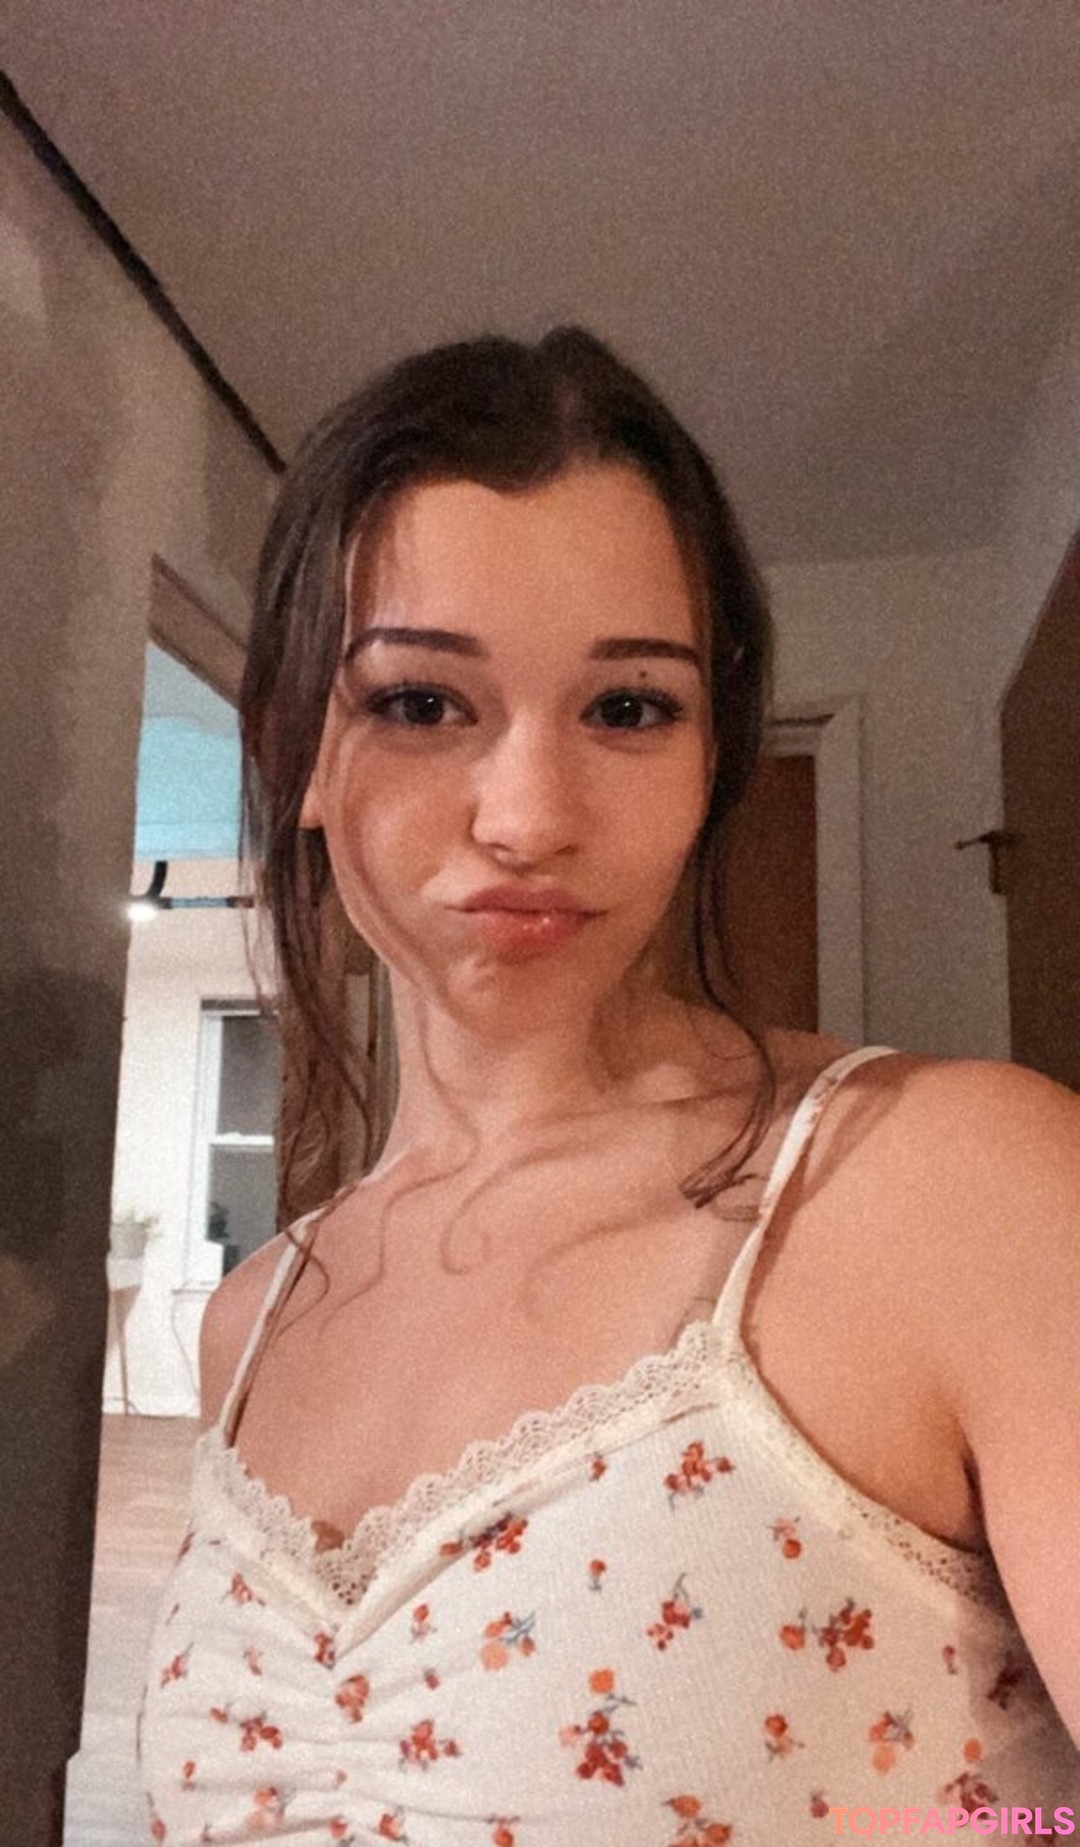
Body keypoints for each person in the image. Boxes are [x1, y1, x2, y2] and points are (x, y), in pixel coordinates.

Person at [137, 329, 1079, 1845]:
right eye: (422, 703)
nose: (529, 816)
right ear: (298, 751)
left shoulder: (954, 1187)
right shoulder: (251, 1323)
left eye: (629, 708)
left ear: (711, 761)